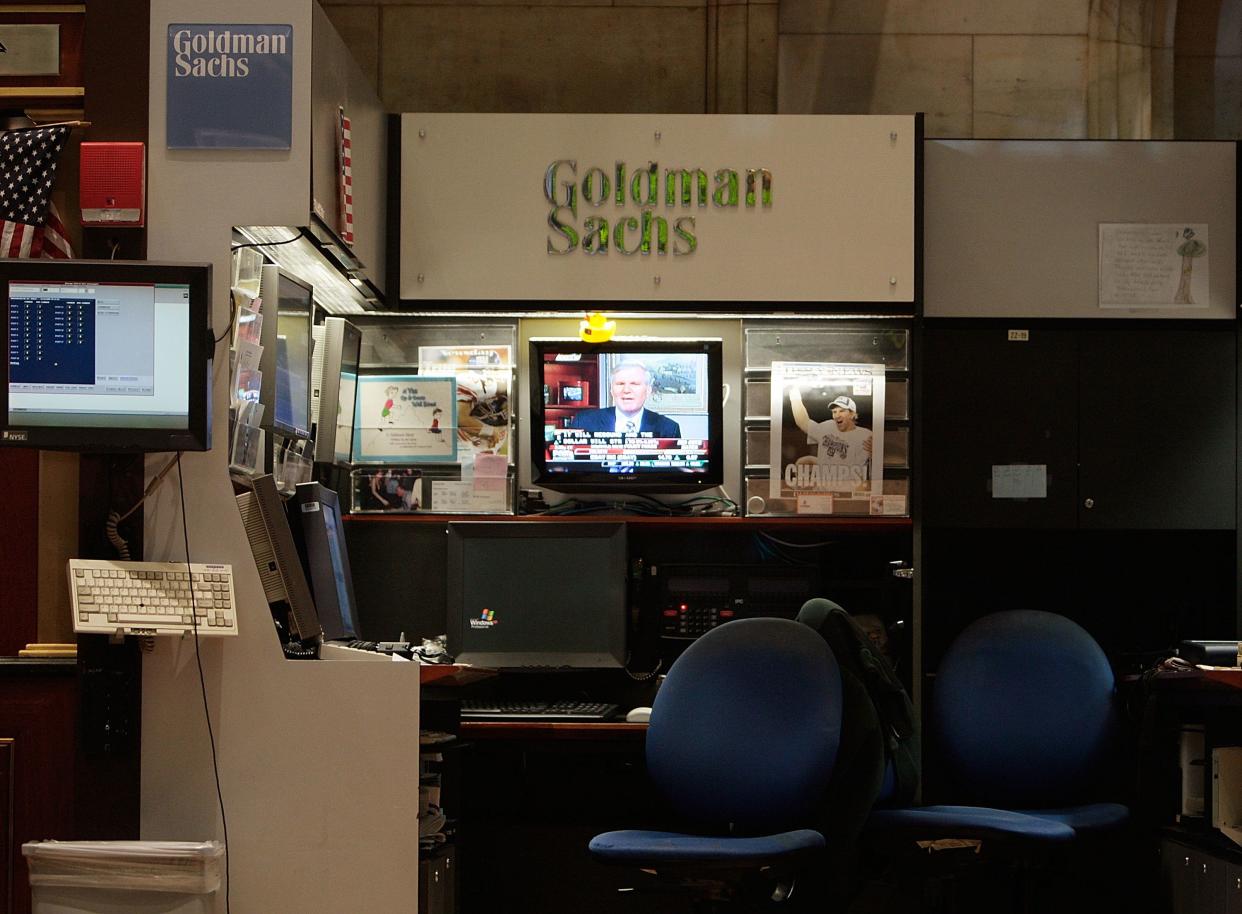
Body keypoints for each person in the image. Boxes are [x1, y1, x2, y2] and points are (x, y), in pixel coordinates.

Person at [788, 387, 872, 486]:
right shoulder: (828, 426)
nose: (837, 415)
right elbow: (803, 422)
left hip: (848, 490)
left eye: (842, 411)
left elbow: (858, 467)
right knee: (803, 461)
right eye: (834, 412)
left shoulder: (866, 435)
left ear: (852, 414)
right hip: (823, 491)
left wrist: (875, 453)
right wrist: (794, 394)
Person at [573, 361, 681, 437]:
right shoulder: (583, 422)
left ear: (648, 390)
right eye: (620, 384)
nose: (626, 390)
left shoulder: (668, 428)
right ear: (611, 390)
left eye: (634, 384)